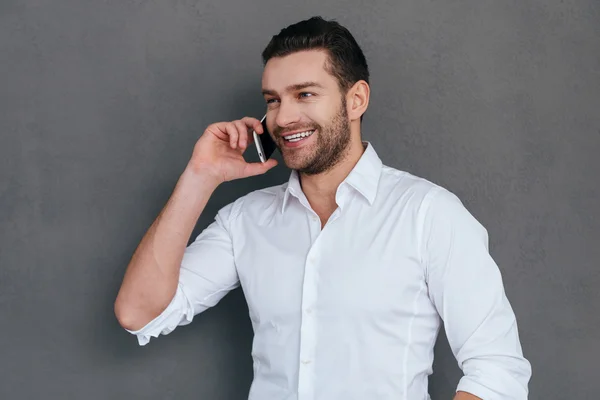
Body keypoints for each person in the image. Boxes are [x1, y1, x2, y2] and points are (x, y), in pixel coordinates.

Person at [114, 16, 531, 400]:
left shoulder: (427, 213)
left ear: (356, 100)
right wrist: (200, 175)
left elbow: (497, 370)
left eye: (305, 94)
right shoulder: (246, 221)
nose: (284, 117)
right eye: (273, 100)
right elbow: (138, 312)